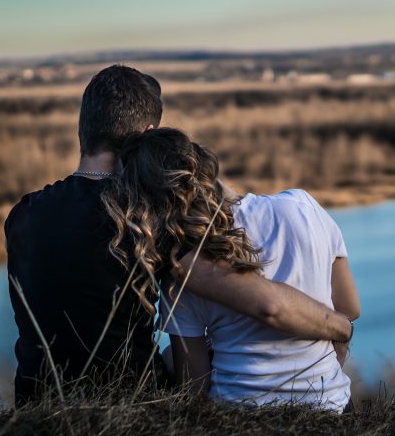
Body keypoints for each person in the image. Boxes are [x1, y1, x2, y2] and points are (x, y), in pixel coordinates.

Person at [5, 65, 353, 407]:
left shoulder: (24, 213)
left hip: (35, 400)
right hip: (126, 402)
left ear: (84, 130)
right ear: (147, 135)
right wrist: (339, 326)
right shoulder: (142, 215)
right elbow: (267, 304)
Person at [102, 127, 360, 412]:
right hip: (331, 405)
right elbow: (349, 309)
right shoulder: (304, 207)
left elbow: (194, 388)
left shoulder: (183, 270)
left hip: (240, 414)